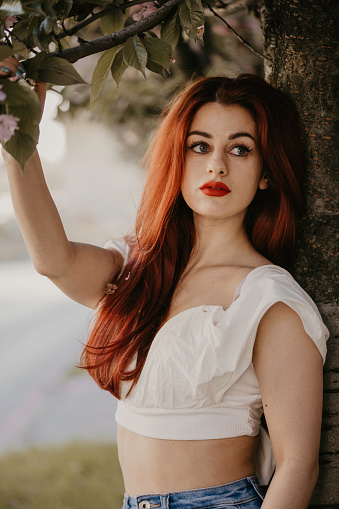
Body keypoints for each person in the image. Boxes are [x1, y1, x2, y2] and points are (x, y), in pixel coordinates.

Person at [1, 58, 329, 509]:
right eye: (199, 146)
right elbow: (55, 262)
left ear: (267, 172)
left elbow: (297, 466)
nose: (216, 165)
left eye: (240, 149)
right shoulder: (140, 266)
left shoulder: (266, 299)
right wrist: (20, 142)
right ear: (178, 156)